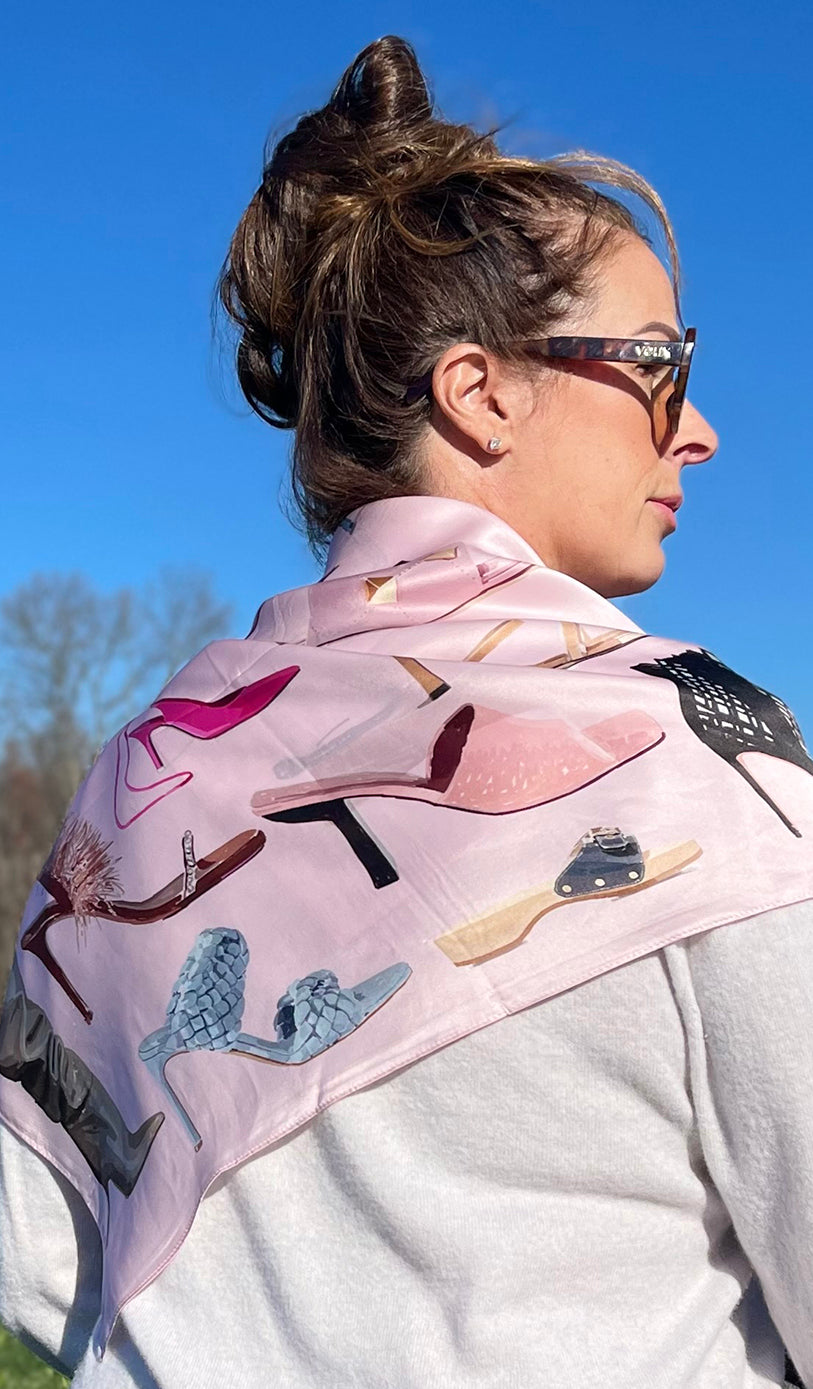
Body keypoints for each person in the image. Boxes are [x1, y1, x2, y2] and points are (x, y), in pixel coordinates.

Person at [1, 33, 811, 1389]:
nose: (698, 426)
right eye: (661, 361)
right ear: (480, 390)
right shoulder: (685, 751)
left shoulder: (140, 785)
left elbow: (44, 1258)